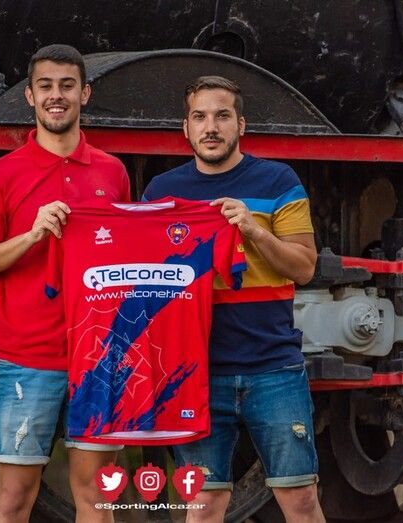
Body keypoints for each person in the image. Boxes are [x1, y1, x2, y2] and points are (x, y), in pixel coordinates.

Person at [142, 76, 325, 523]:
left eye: (222, 116)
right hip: (196, 374)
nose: (211, 127)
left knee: (301, 500)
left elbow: (304, 267)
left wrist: (253, 230)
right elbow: (142, 279)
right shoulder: (160, 193)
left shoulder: (279, 181)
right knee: (203, 507)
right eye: (200, 117)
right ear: (185, 128)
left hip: (273, 368)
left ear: (241, 124)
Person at [0, 44, 130, 523]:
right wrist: (32, 235)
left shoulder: (112, 172)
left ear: (85, 94)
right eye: (46, 86)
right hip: (27, 356)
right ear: (30, 97)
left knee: (95, 497)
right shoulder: (1, 174)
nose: (57, 95)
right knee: (14, 498)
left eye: (67, 86)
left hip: (98, 357)